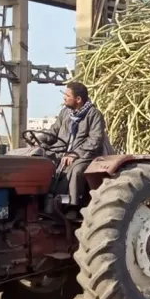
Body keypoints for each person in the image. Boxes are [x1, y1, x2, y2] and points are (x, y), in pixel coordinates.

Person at [46, 82, 112, 214]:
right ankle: (45, 202)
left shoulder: (94, 115)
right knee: (44, 163)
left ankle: (72, 207)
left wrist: (75, 154)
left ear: (78, 99)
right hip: (62, 152)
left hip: (86, 155)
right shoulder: (65, 113)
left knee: (75, 170)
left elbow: (95, 140)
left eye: (67, 95)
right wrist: (39, 141)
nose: (64, 98)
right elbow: (53, 132)